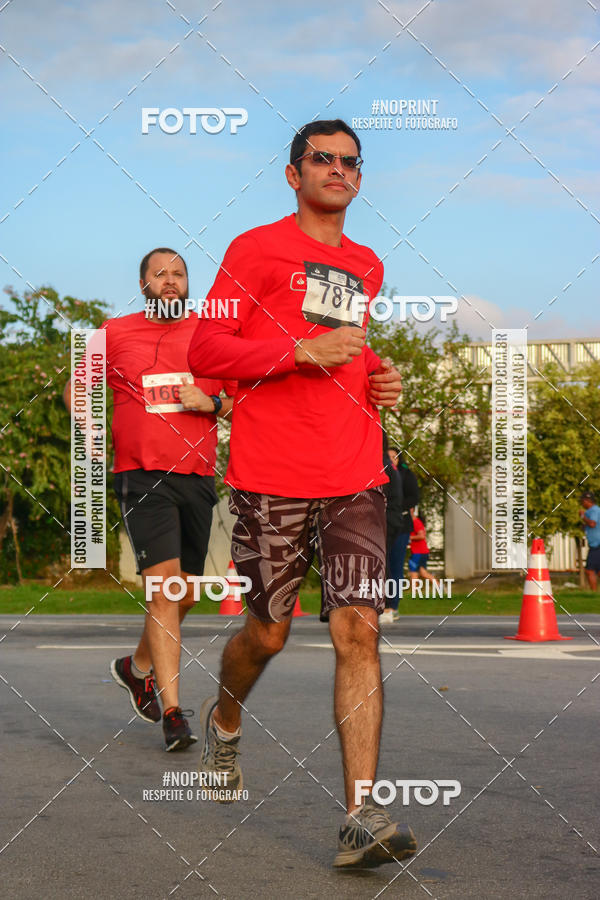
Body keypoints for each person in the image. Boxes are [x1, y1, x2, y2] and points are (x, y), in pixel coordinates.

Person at [187, 119, 417, 868]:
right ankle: (224, 721)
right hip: (270, 474)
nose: (339, 170)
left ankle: (360, 819)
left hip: (356, 472)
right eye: (323, 159)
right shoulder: (254, 250)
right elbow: (207, 350)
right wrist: (296, 354)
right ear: (293, 174)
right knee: (269, 633)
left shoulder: (366, 263)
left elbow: (347, 343)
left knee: (359, 630)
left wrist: (380, 374)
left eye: (351, 162)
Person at [64, 248, 235, 750]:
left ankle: (136, 667)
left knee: (185, 594)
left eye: (178, 274)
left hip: (199, 476)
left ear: (188, 284)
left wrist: (215, 402)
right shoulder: (112, 331)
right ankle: (174, 713)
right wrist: (90, 428)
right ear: (142, 285)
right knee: (163, 592)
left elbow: (246, 397)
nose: (169, 281)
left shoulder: (212, 333)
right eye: (159, 274)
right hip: (141, 476)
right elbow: (79, 389)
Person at [380, 447, 420, 623]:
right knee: (383, 565)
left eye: (393, 457)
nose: (391, 459)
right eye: (387, 457)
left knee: (396, 565)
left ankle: (393, 606)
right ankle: (381, 603)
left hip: (401, 524)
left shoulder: (405, 474)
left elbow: (414, 497)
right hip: (383, 524)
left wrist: (397, 504)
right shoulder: (382, 472)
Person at [379, 434, 404, 625]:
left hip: (386, 519)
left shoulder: (382, 465)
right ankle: (386, 605)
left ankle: (387, 606)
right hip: (391, 519)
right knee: (384, 562)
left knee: (383, 563)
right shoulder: (388, 464)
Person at [408, 509, 437, 586]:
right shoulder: (413, 522)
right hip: (422, 552)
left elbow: (421, 536)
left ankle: (414, 594)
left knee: (413, 573)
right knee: (423, 573)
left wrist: (409, 537)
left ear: (412, 510)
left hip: (418, 552)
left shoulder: (416, 522)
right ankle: (440, 587)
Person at [579, 490, 600, 590]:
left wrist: (583, 517)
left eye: (582, 501)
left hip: (597, 545)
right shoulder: (592, 511)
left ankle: (594, 593)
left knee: (590, 570)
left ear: (587, 501)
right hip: (595, 544)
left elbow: (592, 524)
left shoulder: (594, 510)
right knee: (598, 571)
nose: (582, 504)